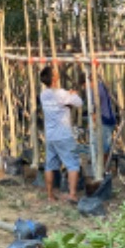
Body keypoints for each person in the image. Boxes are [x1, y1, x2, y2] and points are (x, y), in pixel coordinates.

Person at [39, 65, 83, 203]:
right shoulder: (61, 94)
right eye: (55, 72)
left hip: (50, 136)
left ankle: (50, 195)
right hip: (63, 135)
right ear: (53, 78)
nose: (57, 73)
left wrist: (68, 97)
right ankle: (72, 194)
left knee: (50, 166)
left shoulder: (43, 95)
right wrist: (73, 94)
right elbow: (79, 103)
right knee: (73, 164)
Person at [79, 72, 117, 165]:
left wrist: (92, 124)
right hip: (109, 120)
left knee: (100, 149)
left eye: (84, 85)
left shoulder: (94, 91)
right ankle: (105, 168)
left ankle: (101, 169)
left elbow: (95, 109)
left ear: (87, 82)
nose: (85, 88)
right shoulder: (101, 86)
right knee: (105, 148)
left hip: (104, 122)